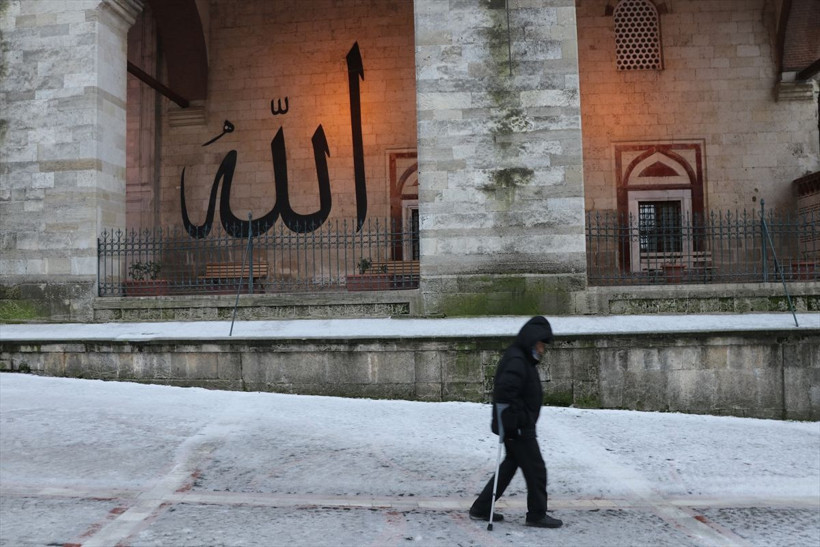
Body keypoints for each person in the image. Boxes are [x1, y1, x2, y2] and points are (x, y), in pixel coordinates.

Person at [469, 315, 563, 528]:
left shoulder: (521, 358)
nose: (542, 350)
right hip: (518, 428)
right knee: (536, 470)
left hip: (517, 426)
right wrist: (518, 421)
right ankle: (537, 514)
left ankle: (481, 508)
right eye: (541, 344)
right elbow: (505, 393)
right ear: (533, 341)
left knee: (510, 467)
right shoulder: (518, 360)